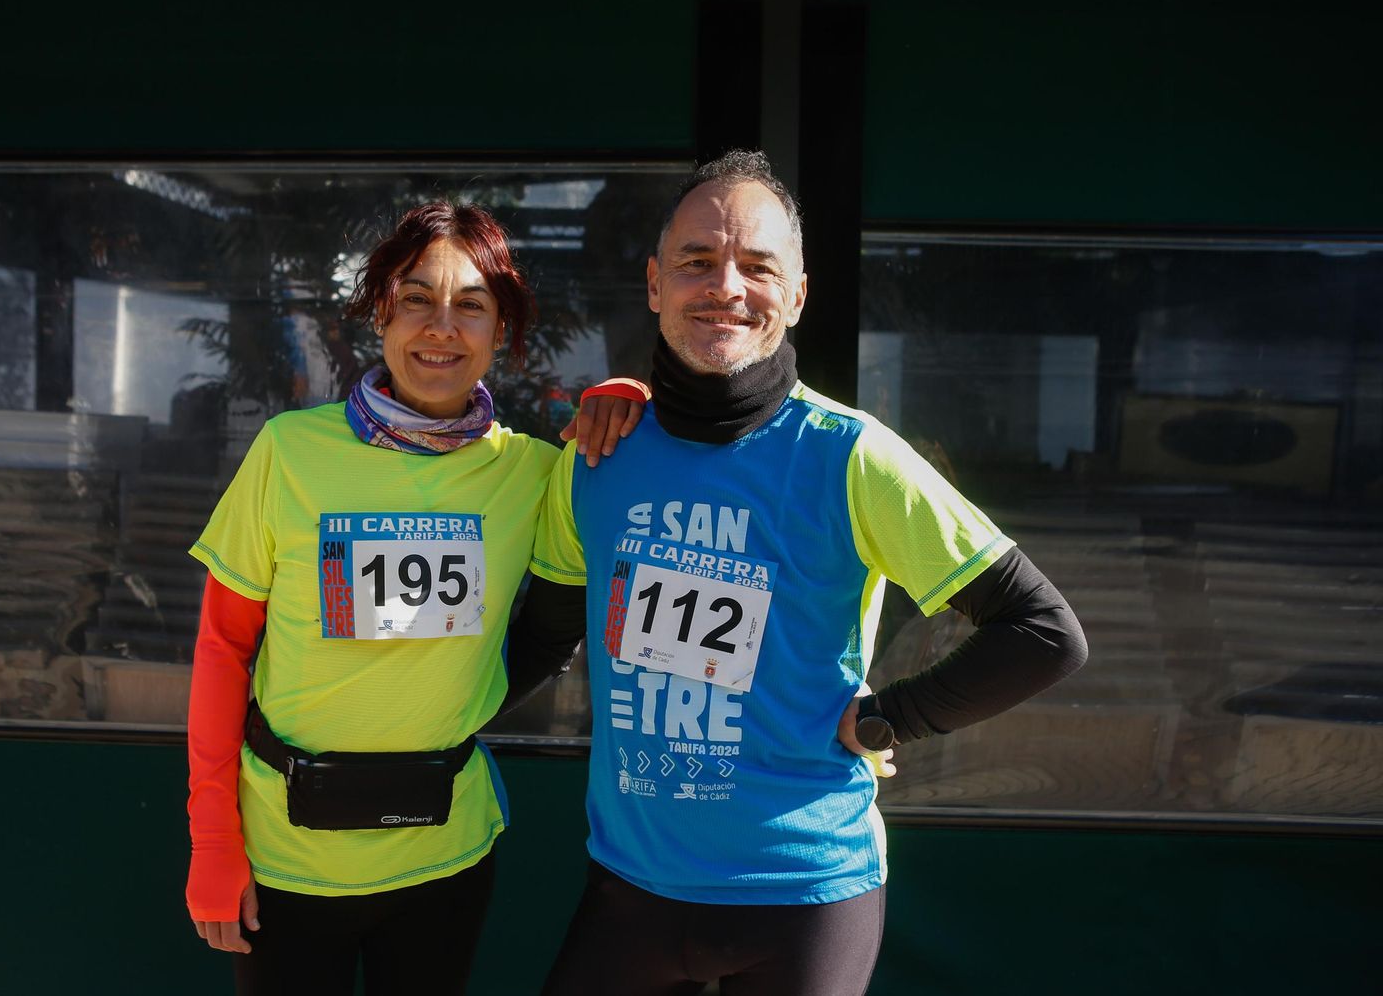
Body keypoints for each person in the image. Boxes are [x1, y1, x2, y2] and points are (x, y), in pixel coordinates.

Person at [532, 151, 1089, 996]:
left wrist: (886, 719)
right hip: (631, 889)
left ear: (795, 295)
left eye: (758, 266)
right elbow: (540, 632)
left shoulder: (851, 455)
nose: (726, 285)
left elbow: (1043, 632)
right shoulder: (597, 454)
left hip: (805, 895)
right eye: (695, 262)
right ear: (653, 284)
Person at [183, 201, 641, 996]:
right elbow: (223, 649)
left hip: (444, 856)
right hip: (285, 858)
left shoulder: (533, 472)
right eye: (416, 297)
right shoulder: (290, 451)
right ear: (379, 311)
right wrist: (213, 842)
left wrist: (630, 392)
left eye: (472, 305)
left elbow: (652, 461)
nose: (442, 327)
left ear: (503, 331)